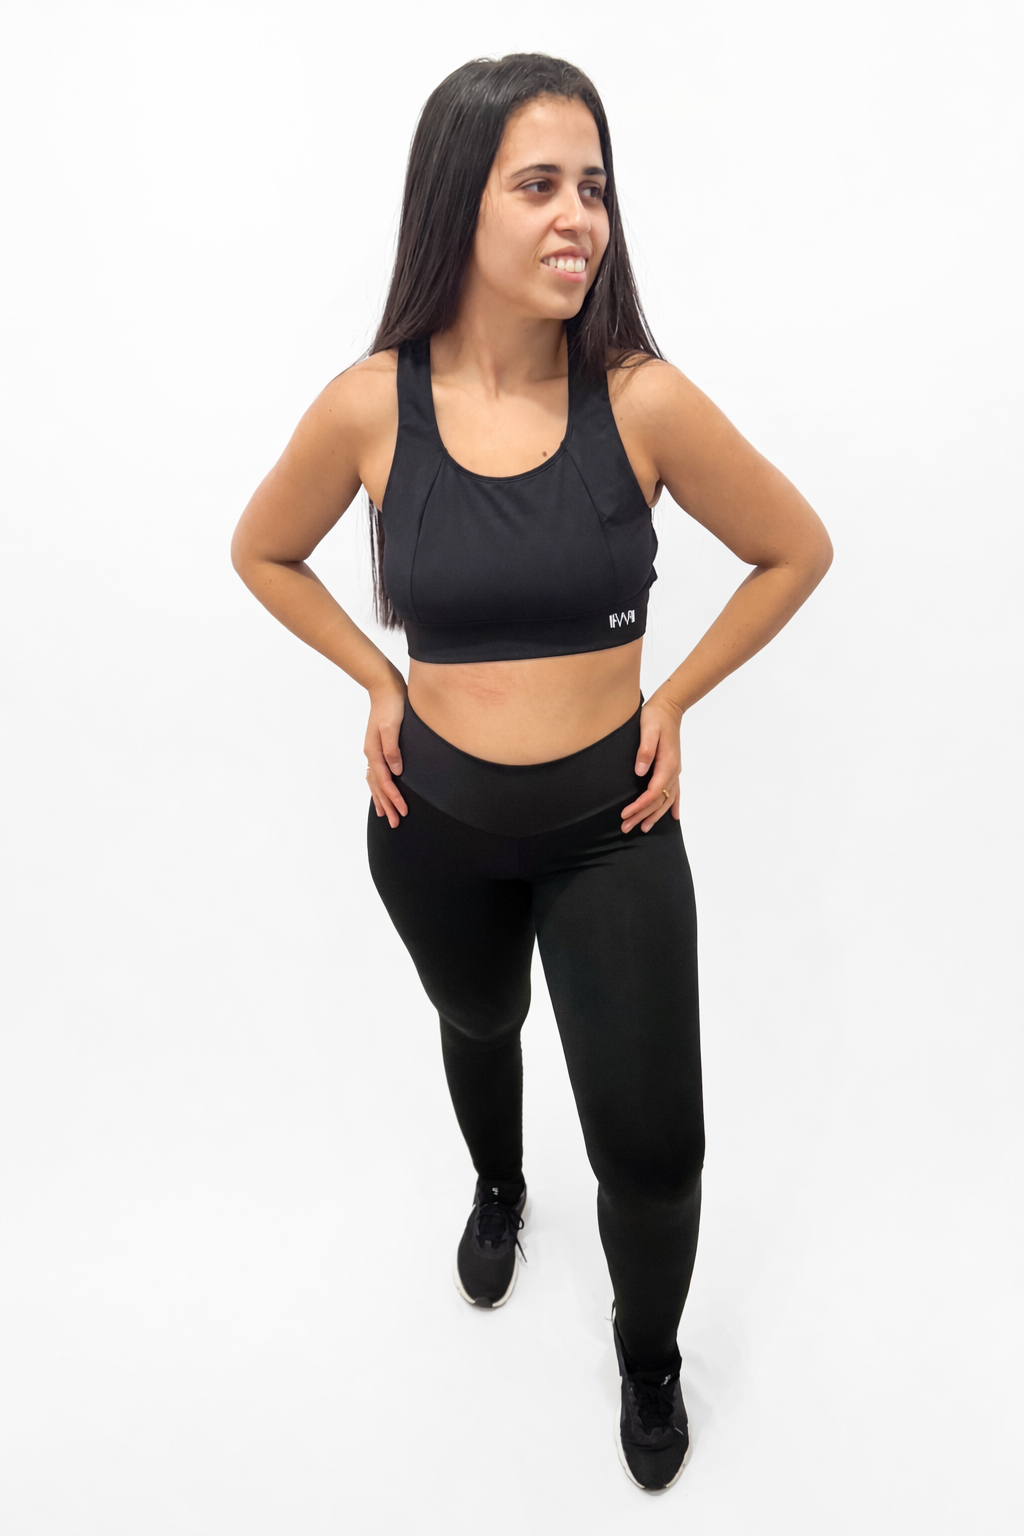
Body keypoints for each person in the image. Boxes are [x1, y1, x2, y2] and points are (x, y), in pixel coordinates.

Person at [230, 52, 832, 1492]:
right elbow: (263, 551)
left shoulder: (642, 400)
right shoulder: (370, 406)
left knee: (657, 1150)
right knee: (480, 1015)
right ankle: (500, 1185)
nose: (581, 218)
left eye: (596, 188)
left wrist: (673, 696)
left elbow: (794, 549)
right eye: (541, 185)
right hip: (429, 820)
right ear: (460, 204)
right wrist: (378, 677)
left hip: (610, 829)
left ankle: (648, 1357)